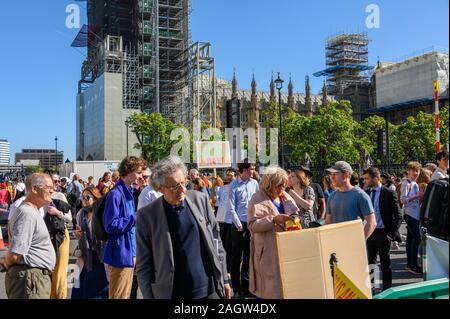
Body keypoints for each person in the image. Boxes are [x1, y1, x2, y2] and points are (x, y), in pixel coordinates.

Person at [136, 156, 232, 299]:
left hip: (209, 289)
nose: (182, 189)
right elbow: (144, 265)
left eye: (183, 182)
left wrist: (224, 278)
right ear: (159, 188)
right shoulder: (147, 216)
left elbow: (216, 241)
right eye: (175, 186)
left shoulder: (200, 200)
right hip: (173, 292)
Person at [0, 173, 56, 299]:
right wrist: (7, 262)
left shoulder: (31, 211)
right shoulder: (27, 213)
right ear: (35, 189)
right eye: (49, 187)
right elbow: (16, 252)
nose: (53, 190)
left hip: (31, 279)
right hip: (30, 279)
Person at [248, 166, 299, 299]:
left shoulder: (284, 196)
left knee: (284, 288)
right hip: (267, 253)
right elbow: (252, 225)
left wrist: (294, 218)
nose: (283, 188)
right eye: (280, 185)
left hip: (286, 250)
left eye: (284, 185)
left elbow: (296, 213)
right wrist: (273, 219)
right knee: (268, 290)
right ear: (270, 184)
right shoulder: (257, 198)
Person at [102, 156, 147, 299]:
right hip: (120, 253)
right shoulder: (115, 194)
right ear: (129, 171)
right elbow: (110, 225)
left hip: (128, 252)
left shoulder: (128, 192)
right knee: (119, 296)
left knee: (125, 295)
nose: (141, 176)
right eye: (139, 172)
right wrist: (135, 217)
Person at [363, 167, 402, 291]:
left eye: (367, 178)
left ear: (375, 178)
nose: (365, 181)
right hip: (371, 232)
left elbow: (399, 216)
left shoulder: (388, 192)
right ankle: (372, 288)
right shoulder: (367, 193)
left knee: (385, 263)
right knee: (371, 263)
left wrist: (390, 235)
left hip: (384, 232)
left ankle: (387, 290)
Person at [227, 159, 259, 299]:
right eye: (251, 169)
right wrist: (239, 224)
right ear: (244, 170)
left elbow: (257, 201)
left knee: (248, 255)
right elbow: (230, 207)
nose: (253, 171)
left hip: (251, 224)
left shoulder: (254, 183)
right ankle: (235, 287)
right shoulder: (233, 185)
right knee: (236, 256)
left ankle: (246, 287)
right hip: (238, 225)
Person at [71, 187, 109, 299]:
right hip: (85, 255)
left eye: (88, 197)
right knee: (78, 289)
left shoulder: (102, 214)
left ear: (96, 198)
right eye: (82, 197)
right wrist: (78, 234)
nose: (84, 200)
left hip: (100, 256)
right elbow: (80, 234)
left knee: (97, 290)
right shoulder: (80, 214)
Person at [325, 161, 377, 240]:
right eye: (331, 175)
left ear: (346, 175)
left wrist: (359, 242)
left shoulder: (360, 195)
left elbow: (372, 223)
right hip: (335, 246)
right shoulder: (331, 197)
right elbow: (328, 222)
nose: (332, 177)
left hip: (354, 248)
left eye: (335, 174)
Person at [46, 174, 72, 299]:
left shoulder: (60, 196)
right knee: (47, 268)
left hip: (60, 234)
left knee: (60, 268)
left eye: (58, 181)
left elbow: (70, 218)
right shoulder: (40, 197)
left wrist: (57, 212)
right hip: (44, 236)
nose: (57, 183)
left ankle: (59, 296)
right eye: (54, 181)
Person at [400, 162, 423, 275]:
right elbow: (403, 199)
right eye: (413, 170)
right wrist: (416, 195)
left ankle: (410, 264)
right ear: (408, 171)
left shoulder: (415, 184)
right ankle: (413, 264)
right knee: (417, 238)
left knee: (410, 240)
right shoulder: (406, 183)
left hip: (415, 215)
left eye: (417, 171)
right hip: (409, 215)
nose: (415, 173)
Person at [216, 168, 237, 273]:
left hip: (232, 221)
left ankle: (228, 268)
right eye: (227, 175)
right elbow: (218, 202)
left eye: (231, 175)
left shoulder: (237, 187)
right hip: (222, 220)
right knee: (222, 244)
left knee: (230, 246)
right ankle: (222, 266)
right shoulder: (223, 188)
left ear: (235, 176)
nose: (229, 177)